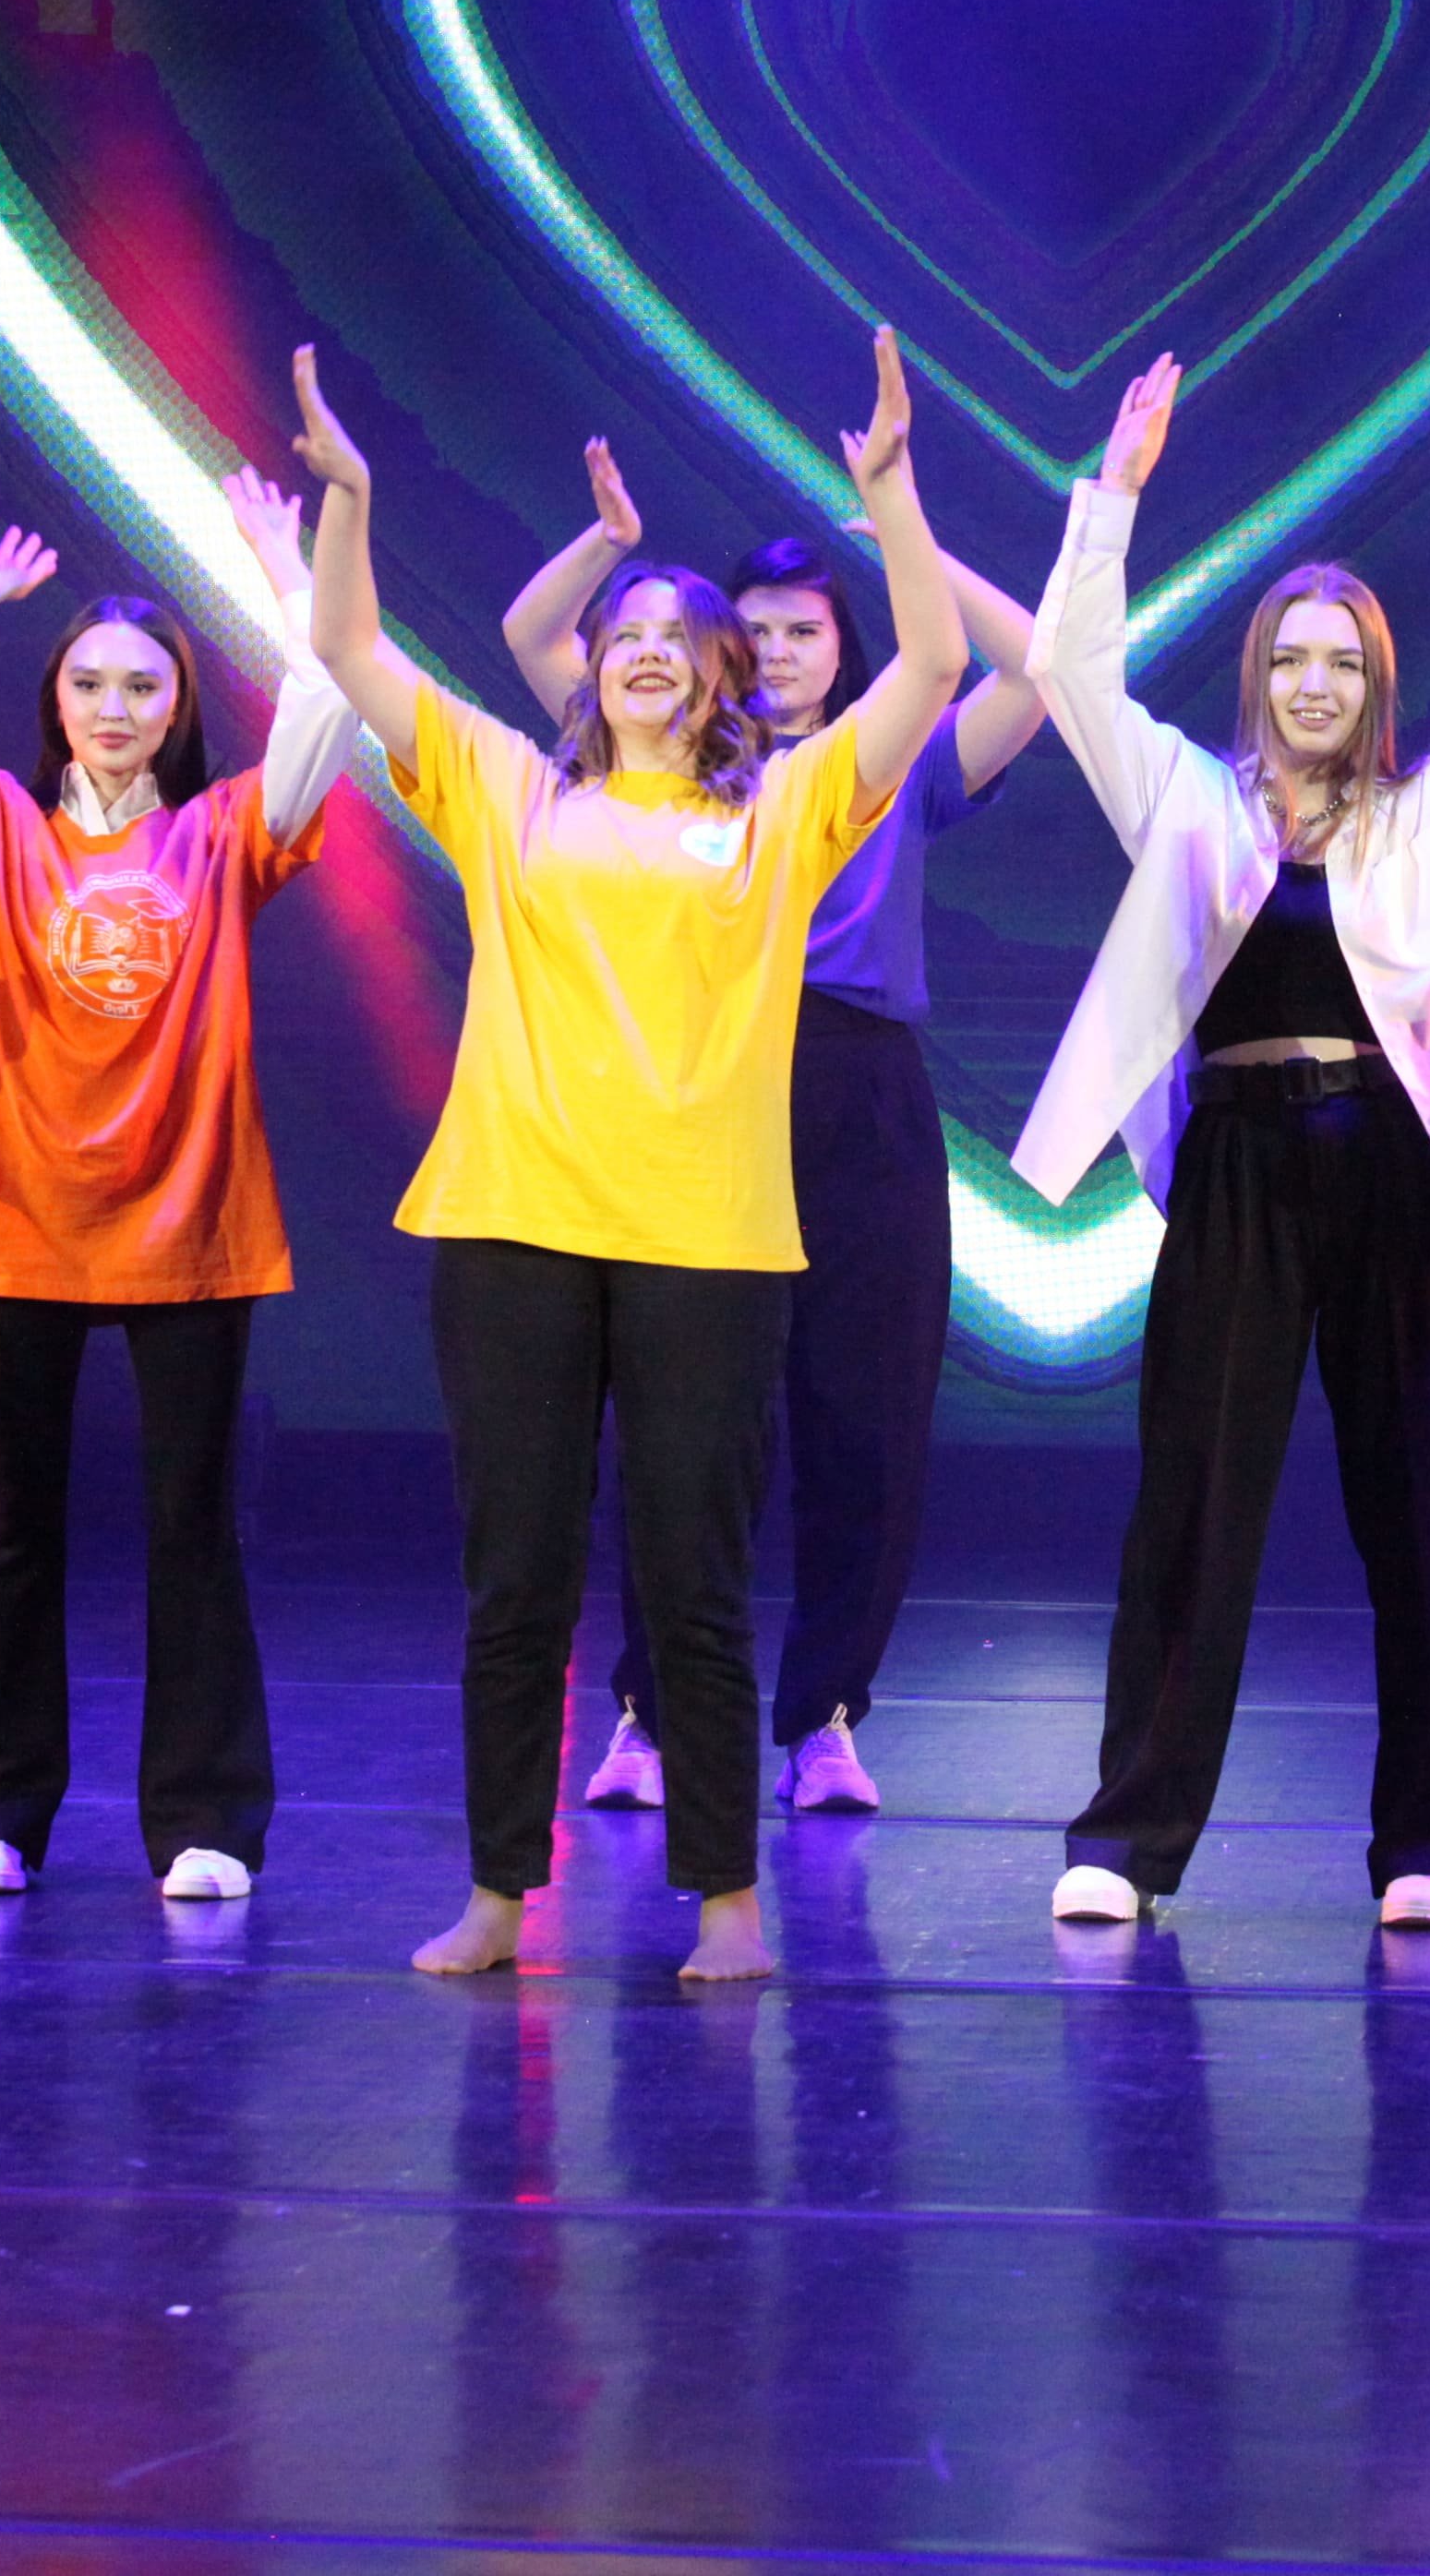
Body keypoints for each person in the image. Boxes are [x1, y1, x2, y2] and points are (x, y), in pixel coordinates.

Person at [288, 333, 962, 1983]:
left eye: (684, 638)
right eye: (628, 635)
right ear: (590, 672)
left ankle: (727, 1903)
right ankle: (498, 1899)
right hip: (515, 1222)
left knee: (694, 1580)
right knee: (515, 1580)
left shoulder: (782, 811)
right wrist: (351, 499)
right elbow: (349, 645)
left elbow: (936, 666)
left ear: (725, 681)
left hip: (708, 1241)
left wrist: (890, 494)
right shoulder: (509, 788)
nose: (652, 652)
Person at [1015, 354, 1430, 1938]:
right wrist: (1115, 495)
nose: (1315, 685)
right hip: (1242, 1172)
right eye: (1290, 659)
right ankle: (1129, 1839)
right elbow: (1070, 668)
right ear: (1259, 675)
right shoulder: (1188, 803)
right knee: (1193, 1506)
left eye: (1342, 662)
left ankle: (1427, 1849)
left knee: (1422, 1513)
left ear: (1376, 683)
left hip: (1403, 1176)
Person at [499, 449, 1051, 1816]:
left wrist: (910, 533)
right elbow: (532, 639)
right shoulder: (668, 756)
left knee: (865, 1419)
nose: (785, 651)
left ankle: (826, 1719)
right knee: (685, 1421)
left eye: (810, 630)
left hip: (859, 1092)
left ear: (848, 650)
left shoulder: (892, 757)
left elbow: (1036, 670)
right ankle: (647, 1714)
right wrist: (606, 538)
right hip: (703, 1086)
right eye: (758, 631)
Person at [0, 471, 352, 1903]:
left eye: (144, 684)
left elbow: (332, 699)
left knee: (194, 1527)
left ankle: (205, 1823)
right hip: (17, 1218)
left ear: (179, 706)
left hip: (190, 1223)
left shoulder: (226, 834)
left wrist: (280, 563)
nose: (115, 706)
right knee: (13, 1523)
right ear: (56, 700)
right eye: (89, 682)